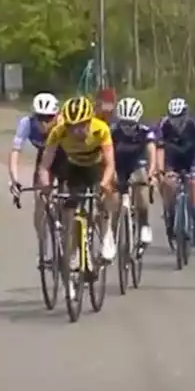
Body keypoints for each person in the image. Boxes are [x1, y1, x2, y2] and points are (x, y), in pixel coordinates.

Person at [36, 96, 117, 297]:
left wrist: (105, 183)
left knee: (105, 193)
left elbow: (110, 164)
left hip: (97, 167)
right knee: (69, 211)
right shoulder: (58, 132)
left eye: (81, 126)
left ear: (90, 121)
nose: (76, 132)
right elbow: (45, 165)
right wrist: (45, 185)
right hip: (75, 168)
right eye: (72, 127)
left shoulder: (101, 129)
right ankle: (73, 254)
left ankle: (106, 234)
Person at [8, 92, 59, 264]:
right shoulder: (26, 124)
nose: (44, 123)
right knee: (39, 202)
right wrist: (14, 179)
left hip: (66, 158)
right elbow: (15, 151)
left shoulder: (63, 124)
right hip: (44, 159)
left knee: (67, 197)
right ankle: (43, 246)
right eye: (40, 118)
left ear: (56, 116)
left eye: (49, 118)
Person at [153, 96, 195, 242]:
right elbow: (159, 149)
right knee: (169, 184)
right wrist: (161, 171)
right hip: (172, 159)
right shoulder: (163, 125)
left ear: (186, 115)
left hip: (192, 158)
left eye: (180, 118)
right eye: (173, 118)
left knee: (193, 184)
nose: (176, 122)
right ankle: (170, 213)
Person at [111, 97, 157, 246]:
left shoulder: (145, 132)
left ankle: (144, 225)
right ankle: (111, 235)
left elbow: (152, 152)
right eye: (124, 123)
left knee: (141, 184)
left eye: (131, 124)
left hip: (137, 164)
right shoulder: (112, 131)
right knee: (114, 201)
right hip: (117, 165)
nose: (127, 128)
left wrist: (151, 173)